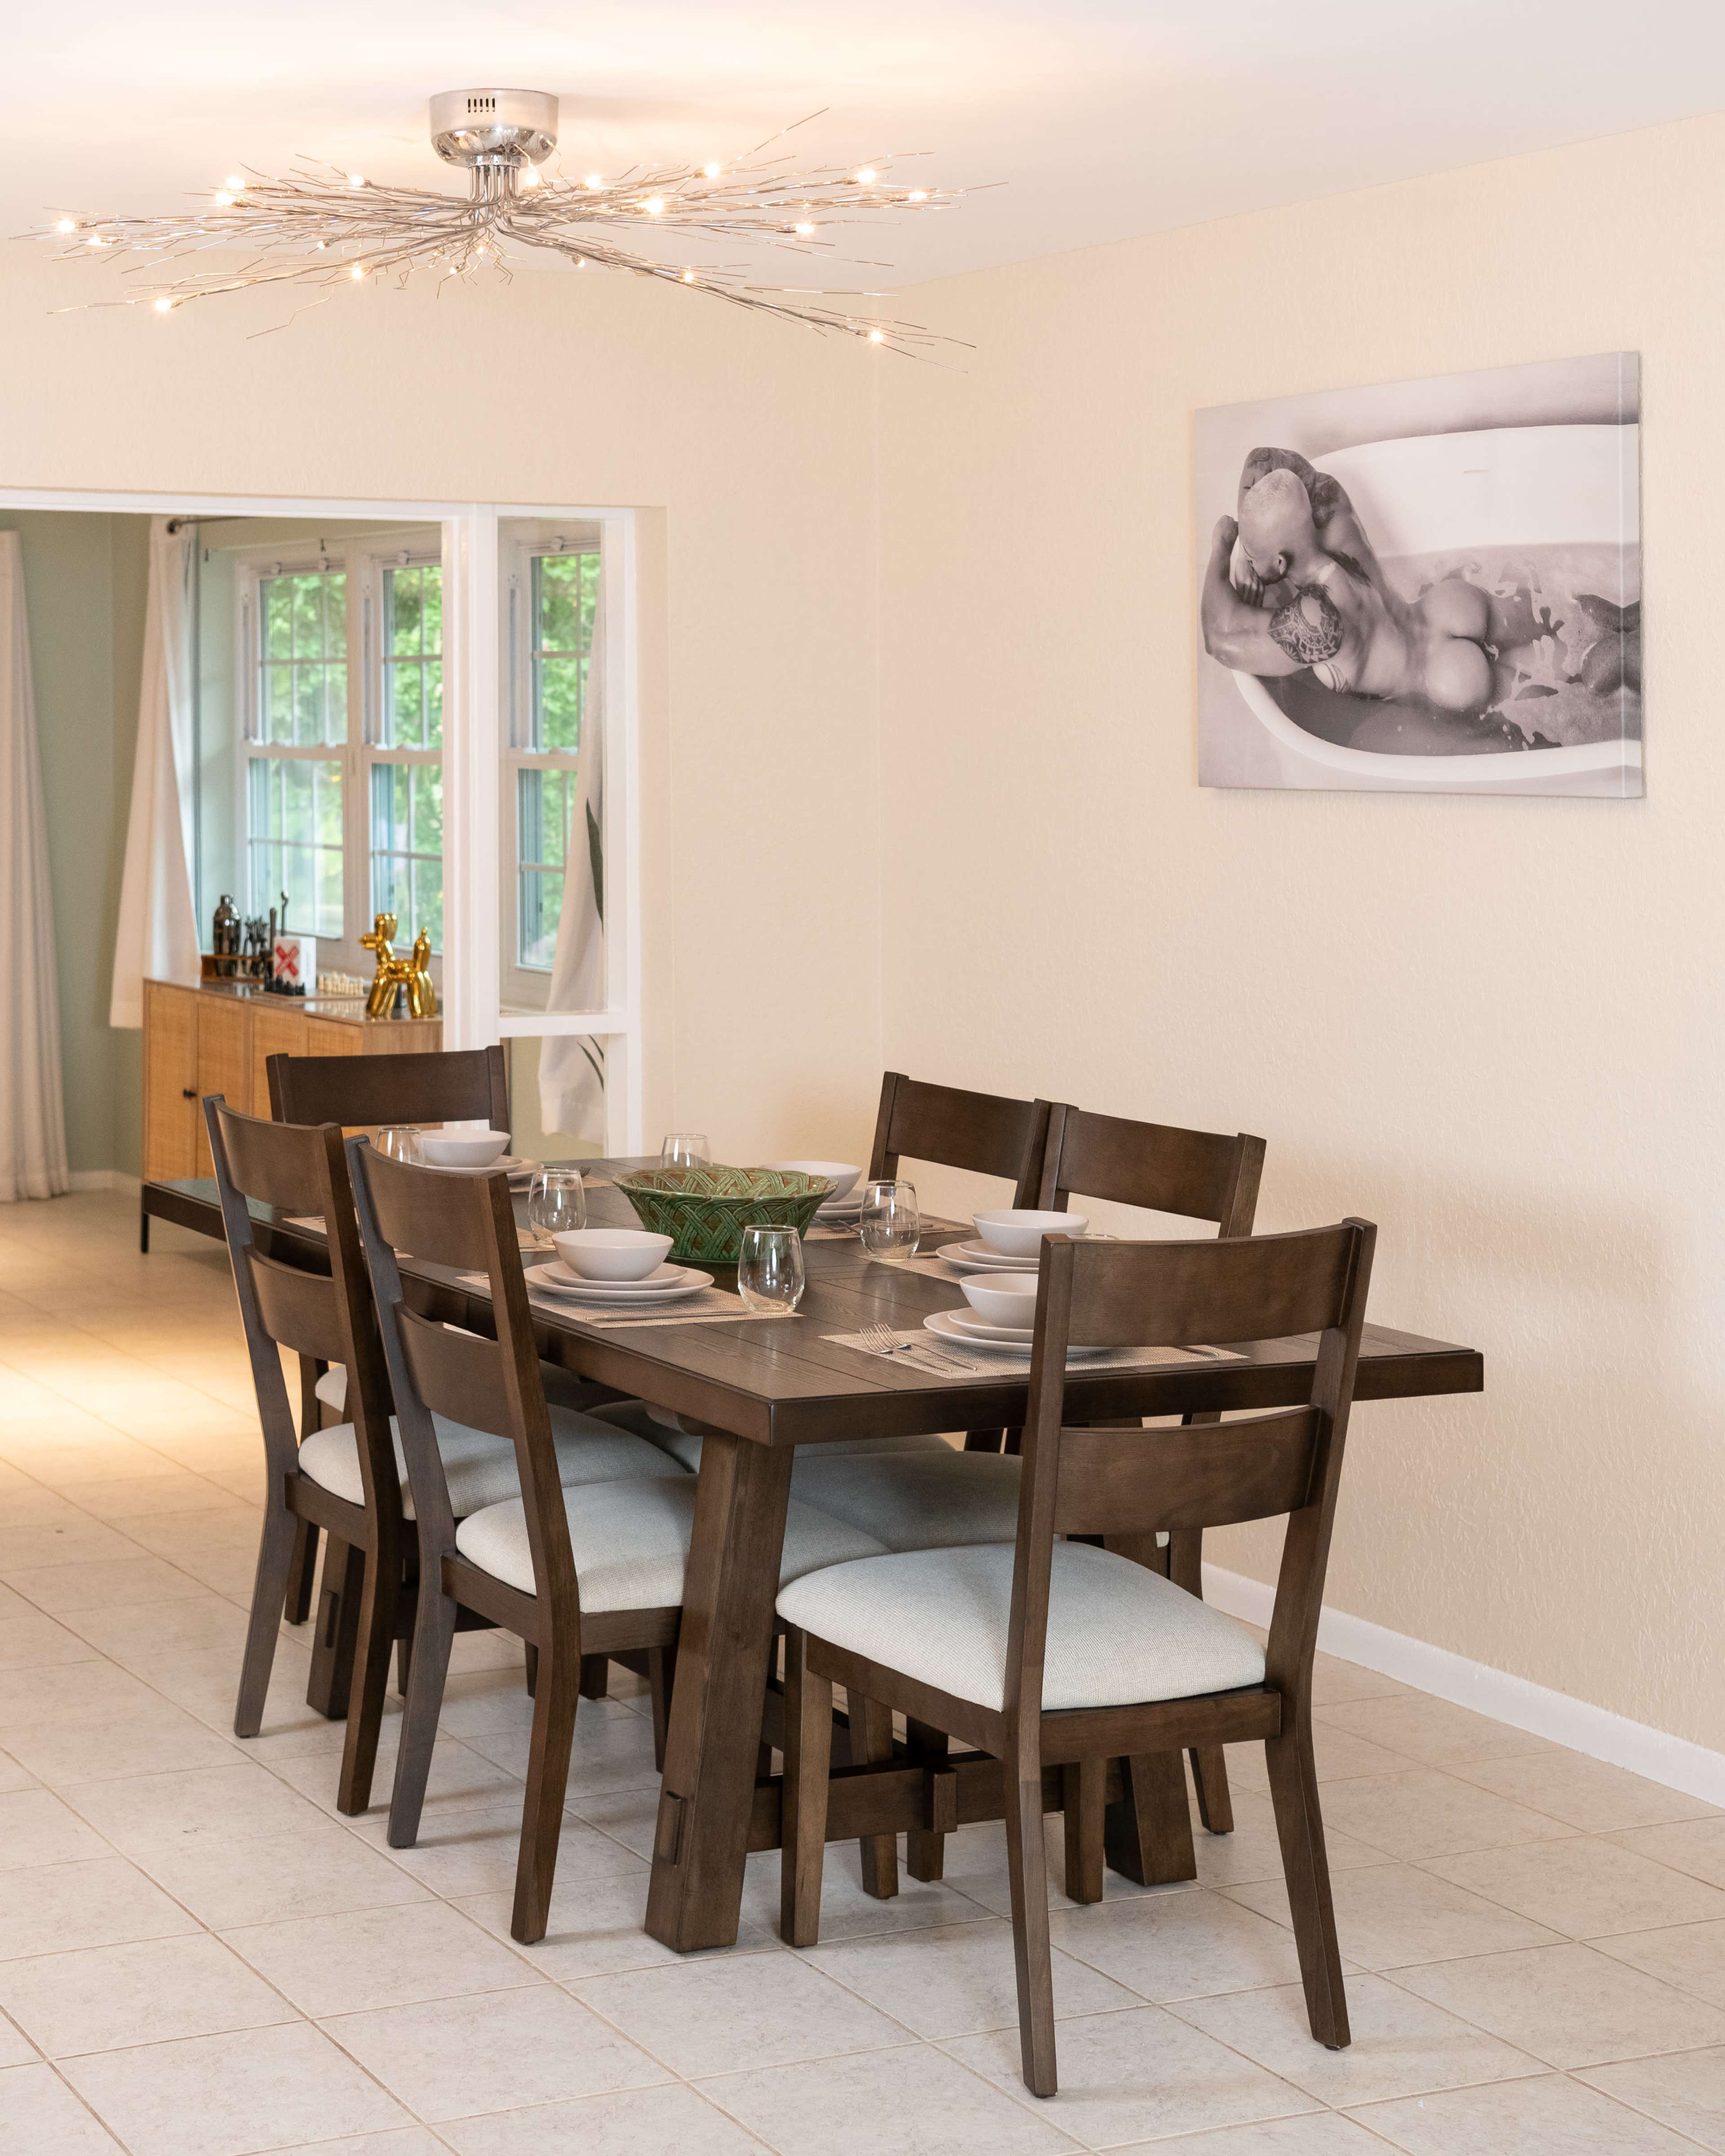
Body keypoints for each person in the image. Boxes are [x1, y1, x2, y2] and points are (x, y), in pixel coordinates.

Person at [1201, 446, 1495, 714]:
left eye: (1252, 558)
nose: (1249, 562)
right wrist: (1252, 538)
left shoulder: (1317, 618)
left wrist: (1224, 547)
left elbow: (1219, 638)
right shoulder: (1336, 511)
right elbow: (1260, 459)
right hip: (1449, 606)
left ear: (1279, 564)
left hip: (1444, 679)